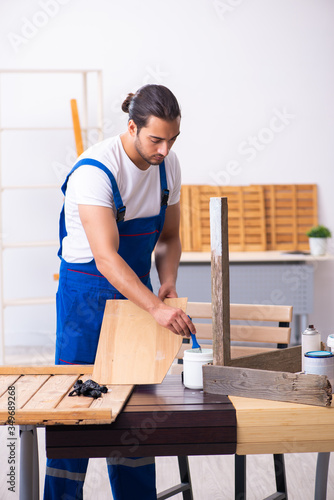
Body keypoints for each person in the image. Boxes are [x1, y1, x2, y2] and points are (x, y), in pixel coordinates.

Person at [44, 84, 196, 500]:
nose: (165, 149)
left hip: (137, 294)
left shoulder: (168, 166)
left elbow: (168, 238)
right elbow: (107, 259)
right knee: (77, 405)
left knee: (134, 408)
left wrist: (167, 278)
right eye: (156, 139)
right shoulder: (95, 171)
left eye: (172, 139)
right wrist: (155, 310)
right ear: (132, 126)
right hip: (86, 297)